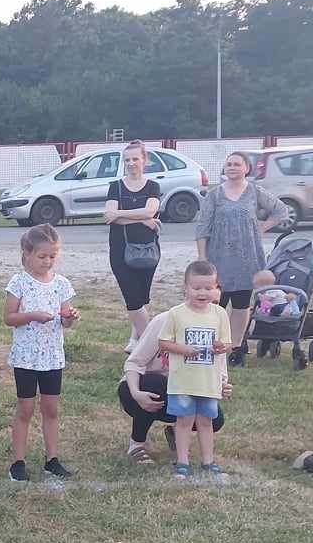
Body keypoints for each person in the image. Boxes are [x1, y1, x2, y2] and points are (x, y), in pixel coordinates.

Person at [195, 151, 288, 364]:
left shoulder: (255, 191)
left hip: (248, 257)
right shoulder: (214, 195)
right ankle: (214, 345)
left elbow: (280, 210)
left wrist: (261, 228)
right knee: (215, 304)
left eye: (237, 164)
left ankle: (236, 346)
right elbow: (202, 227)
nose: (232, 167)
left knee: (241, 304)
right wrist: (202, 256)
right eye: (228, 164)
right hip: (218, 258)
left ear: (246, 168)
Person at [3, 224, 80, 481]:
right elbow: (9, 317)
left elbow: (65, 320)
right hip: (26, 357)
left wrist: (69, 317)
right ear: (27, 253)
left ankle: (52, 459)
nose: (47, 261)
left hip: (52, 357)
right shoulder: (19, 282)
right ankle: (18, 461)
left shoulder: (61, 284)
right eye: (42, 256)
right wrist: (32, 315)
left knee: (51, 409)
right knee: (25, 409)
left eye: (52, 256)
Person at [121, 302, 228, 466]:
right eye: (199, 290)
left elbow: (219, 373)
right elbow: (134, 363)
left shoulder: (217, 325)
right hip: (144, 388)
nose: (206, 301)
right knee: (156, 384)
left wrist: (222, 386)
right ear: (187, 291)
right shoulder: (166, 320)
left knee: (215, 419)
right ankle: (137, 444)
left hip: (184, 391)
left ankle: (177, 431)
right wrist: (136, 393)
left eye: (214, 301)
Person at [156, 261, 233, 479]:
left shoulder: (220, 314)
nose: (202, 293)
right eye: (196, 287)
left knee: (206, 422)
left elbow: (227, 344)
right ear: (185, 287)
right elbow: (163, 342)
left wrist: (221, 347)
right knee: (184, 422)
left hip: (208, 381)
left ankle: (208, 461)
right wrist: (184, 350)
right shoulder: (176, 314)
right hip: (183, 381)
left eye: (208, 288)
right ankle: (182, 461)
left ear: (216, 288)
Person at [103, 140, 164, 348]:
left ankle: (135, 340)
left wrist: (120, 214)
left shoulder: (153, 186)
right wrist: (143, 219)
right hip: (120, 249)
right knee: (132, 299)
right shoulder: (115, 187)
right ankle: (151, 345)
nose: (131, 163)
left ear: (144, 160)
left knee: (142, 297)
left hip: (147, 249)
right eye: (127, 160)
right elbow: (110, 217)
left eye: (135, 159)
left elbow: (150, 210)